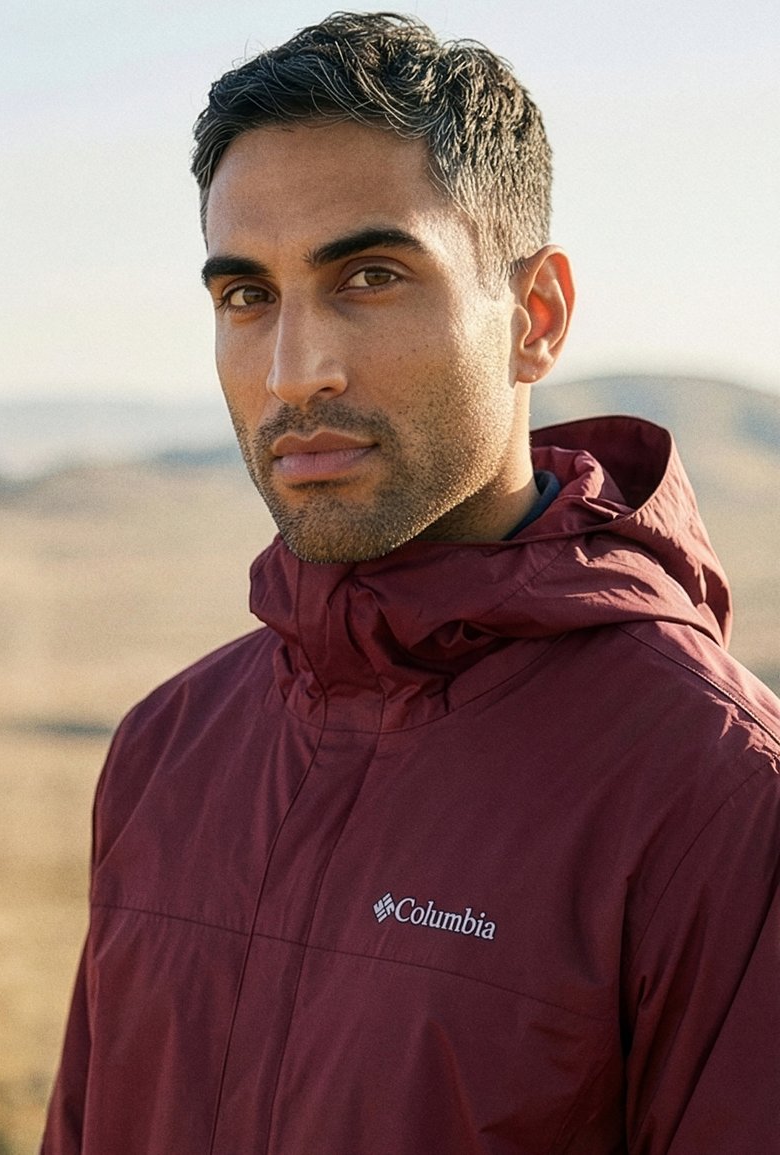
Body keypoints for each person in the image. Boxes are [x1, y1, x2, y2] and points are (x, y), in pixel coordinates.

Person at [42, 12, 780, 1153]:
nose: (295, 371)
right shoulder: (167, 747)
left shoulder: (716, 789)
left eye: (370, 276)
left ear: (532, 319)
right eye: (246, 295)